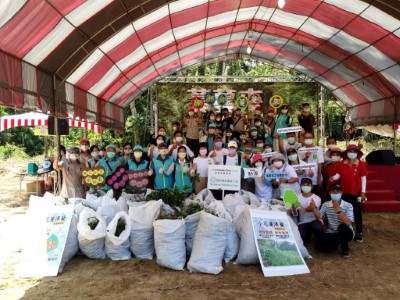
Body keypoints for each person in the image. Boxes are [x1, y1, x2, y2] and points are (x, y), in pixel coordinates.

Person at [331, 144, 367, 242]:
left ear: (357, 154)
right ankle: (345, 228)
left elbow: (363, 178)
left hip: (356, 192)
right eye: (350, 151)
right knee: (343, 210)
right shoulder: (342, 163)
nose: (352, 153)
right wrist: (333, 178)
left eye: (354, 152)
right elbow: (339, 174)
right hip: (344, 192)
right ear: (347, 153)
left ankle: (359, 232)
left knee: (357, 212)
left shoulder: (361, 164)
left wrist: (363, 192)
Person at [311, 184, 354, 258]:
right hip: (332, 232)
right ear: (329, 193)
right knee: (319, 246)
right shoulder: (326, 204)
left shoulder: (348, 205)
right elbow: (319, 217)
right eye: (333, 192)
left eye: (337, 192)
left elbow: (349, 223)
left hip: (347, 232)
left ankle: (345, 248)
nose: (335, 194)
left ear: (341, 193)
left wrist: (338, 210)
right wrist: (314, 208)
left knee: (342, 227)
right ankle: (335, 245)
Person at [293, 178, 323, 245]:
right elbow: (294, 212)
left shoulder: (316, 198)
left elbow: (312, 207)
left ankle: (318, 238)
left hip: (315, 220)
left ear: (312, 186)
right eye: (304, 185)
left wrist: (305, 209)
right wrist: (292, 209)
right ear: (301, 186)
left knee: (317, 227)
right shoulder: (297, 197)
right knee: (303, 238)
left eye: (308, 185)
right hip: (302, 222)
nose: (306, 187)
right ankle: (308, 237)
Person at [297, 131, 324, 199]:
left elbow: (320, 164)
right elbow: (299, 164)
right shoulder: (300, 150)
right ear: (303, 138)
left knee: (316, 197)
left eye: (310, 137)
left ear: (313, 138)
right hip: (304, 177)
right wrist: (306, 157)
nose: (308, 139)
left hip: (315, 178)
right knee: (305, 197)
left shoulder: (318, 149)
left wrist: (318, 178)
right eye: (306, 138)